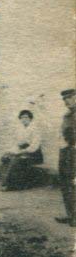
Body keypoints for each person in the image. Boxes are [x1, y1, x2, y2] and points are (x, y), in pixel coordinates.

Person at [0, 110, 42, 191]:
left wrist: (23, 151)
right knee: (5, 157)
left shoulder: (35, 129)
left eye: (26, 117)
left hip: (33, 153)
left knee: (16, 159)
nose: (24, 119)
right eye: (22, 117)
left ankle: (10, 185)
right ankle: (7, 182)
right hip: (22, 151)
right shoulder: (20, 129)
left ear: (30, 118)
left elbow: (35, 145)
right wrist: (10, 151)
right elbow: (17, 144)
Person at [56, 89, 76, 226]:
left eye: (69, 97)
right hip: (66, 152)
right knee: (66, 183)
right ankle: (71, 215)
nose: (66, 101)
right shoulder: (68, 115)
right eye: (64, 99)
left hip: (73, 151)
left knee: (73, 184)